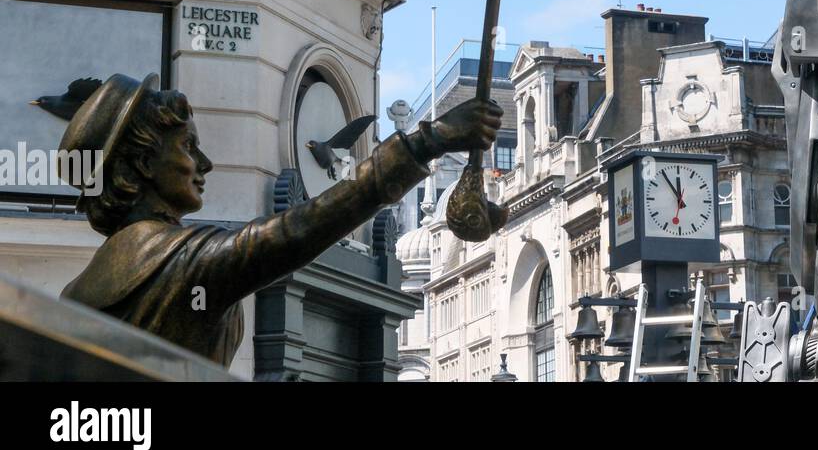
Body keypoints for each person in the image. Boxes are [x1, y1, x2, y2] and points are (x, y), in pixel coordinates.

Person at [55, 73, 500, 367]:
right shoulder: (178, 261)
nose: (205, 163)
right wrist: (429, 141)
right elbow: (295, 231)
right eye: (188, 146)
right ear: (141, 165)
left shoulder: (74, 296)